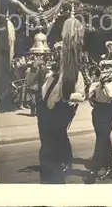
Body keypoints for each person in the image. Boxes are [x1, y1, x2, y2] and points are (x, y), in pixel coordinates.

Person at [33, 41, 85, 184]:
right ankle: (51, 170)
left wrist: (67, 96)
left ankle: (56, 175)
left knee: (53, 142)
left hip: (61, 109)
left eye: (62, 51)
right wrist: (34, 68)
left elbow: (81, 94)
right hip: (44, 111)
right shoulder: (50, 73)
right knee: (46, 141)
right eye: (56, 51)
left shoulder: (75, 73)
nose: (58, 54)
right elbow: (35, 86)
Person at [86, 58, 112, 183]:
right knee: (103, 138)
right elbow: (90, 97)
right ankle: (110, 167)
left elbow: (111, 95)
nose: (104, 70)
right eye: (103, 68)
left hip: (110, 110)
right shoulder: (97, 81)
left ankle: (95, 168)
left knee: (102, 137)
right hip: (98, 110)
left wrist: (104, 84)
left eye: (107, 68)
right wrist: (95, 85)